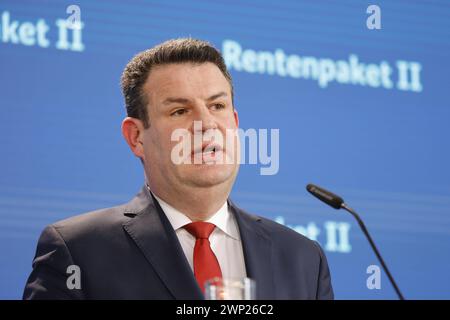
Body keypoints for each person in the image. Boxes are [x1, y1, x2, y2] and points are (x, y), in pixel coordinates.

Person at [23, 38, 333, 300]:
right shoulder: (78, 251)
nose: (206, 124)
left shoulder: (303, 258)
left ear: (235, 124)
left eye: (217, 106)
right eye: (180, 110)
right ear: (136, 137)